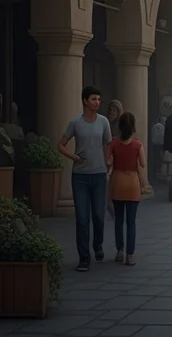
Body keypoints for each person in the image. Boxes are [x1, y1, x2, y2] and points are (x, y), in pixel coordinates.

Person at [58, 85, 112, 272]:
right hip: (80, 177)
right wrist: (75, 157)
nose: (97, 102)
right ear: (85, 101)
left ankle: (98, 244)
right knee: (82, 218)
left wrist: (107, 162)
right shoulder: (75, 123)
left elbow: (108, 143)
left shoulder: (104, 122)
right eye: (93, 99)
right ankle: (84, 258)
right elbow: (61, 145)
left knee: (98, 216)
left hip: (98, 175)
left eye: (99, 99)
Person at [107, 111, 145, 266]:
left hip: (117, 181)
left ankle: (120, 251)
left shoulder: (113, 143)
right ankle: (130, 255)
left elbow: (107, 160)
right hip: (132, 183)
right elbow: (143, 164)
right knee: (131, 221)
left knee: (118, 220)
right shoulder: (137, 144)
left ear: (120, 126)